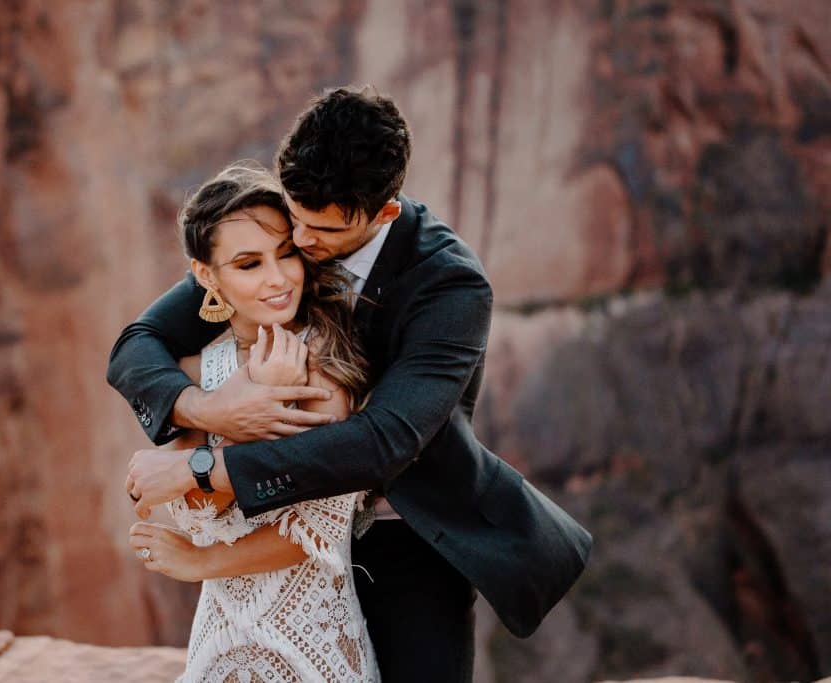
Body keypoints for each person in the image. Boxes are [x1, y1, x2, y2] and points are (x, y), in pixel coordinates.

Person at [110, 86, 592, 682]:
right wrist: (208, 410)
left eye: (320, 233)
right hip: (278, 520)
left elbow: (385, 441)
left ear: (383, 213)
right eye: (294, 221)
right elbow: (138, 344)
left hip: (404, 523)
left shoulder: (451, 287)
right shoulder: (285, 234)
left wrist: (204, 470)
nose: (301, 248)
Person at [126, 162, 379, 682]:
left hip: (309, 642)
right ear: (206, 276)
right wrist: (246, 413)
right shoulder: (199, 371)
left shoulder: (326, 363)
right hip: (220, 641)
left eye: (286, 254)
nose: (277, 278)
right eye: (248, 264)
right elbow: (197, 512)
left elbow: (315, 532)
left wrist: (200, 562)